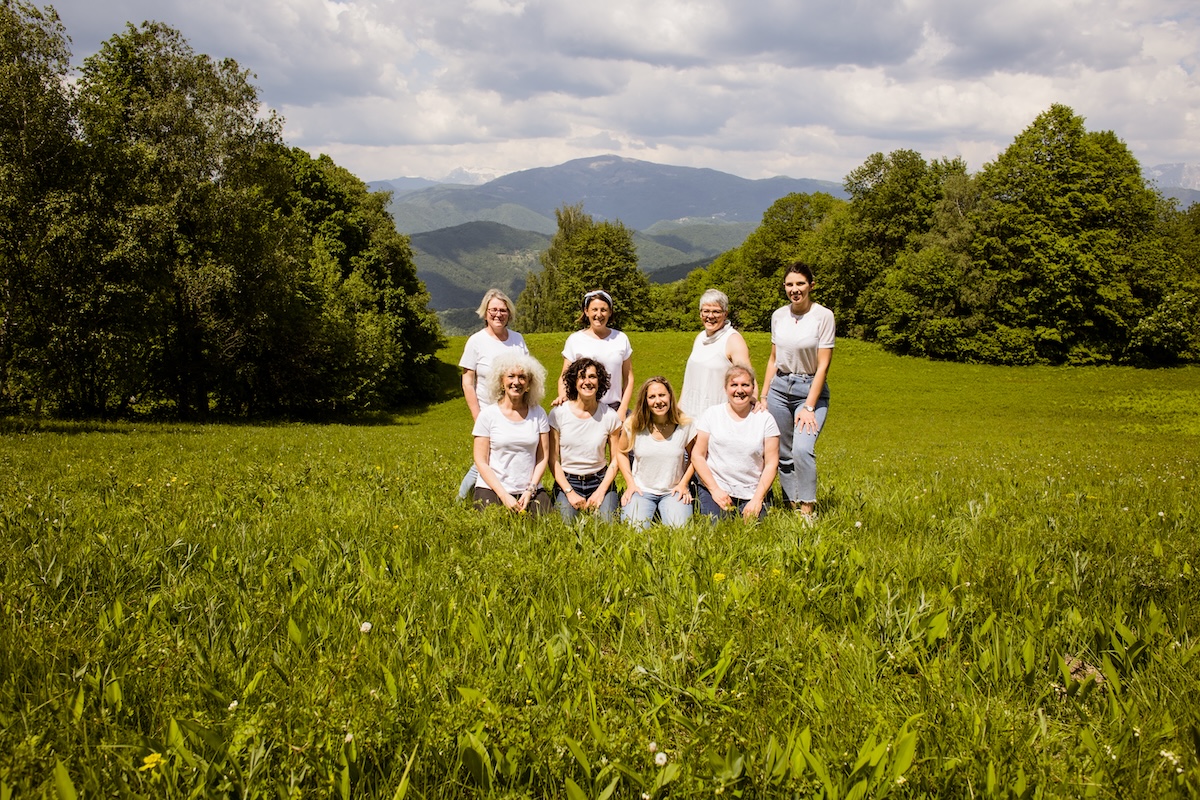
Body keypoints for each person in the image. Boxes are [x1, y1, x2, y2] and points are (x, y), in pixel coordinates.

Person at [759, 261, 835, 517]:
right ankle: (791, 504)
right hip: (779, 388)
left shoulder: (823, 316)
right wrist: (764, 395)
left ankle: (807, 510)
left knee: (803, 448)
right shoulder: (778, 315)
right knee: (783, 452)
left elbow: (823, 365)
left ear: (811, 286)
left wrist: (810, 407)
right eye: (790, 284)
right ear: (784, 287)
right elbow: (773, 358)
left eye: (800, 283)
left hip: (809, 388)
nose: (795, 289)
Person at [458, 290, 529, 500]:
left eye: (503, 310)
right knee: (484, 459)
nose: (498, 314)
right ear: (485, 313)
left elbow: (526, 373)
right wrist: (477, 416)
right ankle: (461, 499)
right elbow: (467, 382)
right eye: (493, 310)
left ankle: (502, 495)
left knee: (501, 458)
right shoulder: (476, 341)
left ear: (509, 313)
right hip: (488, 413)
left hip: (514, 412)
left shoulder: (517, 340)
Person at [692, 364, 780, 521]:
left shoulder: (766, 419)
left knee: (755, 531)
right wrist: (715, 490)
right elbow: (697, 456)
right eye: (734, 385)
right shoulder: (712, 414)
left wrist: (757, 499)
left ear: (753, 388)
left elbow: (771, 464)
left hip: (752, 491)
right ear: (726, 388)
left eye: (745, 385)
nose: (739, 390)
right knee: (715, 528)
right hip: (717, 487)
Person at [471, 352, 553, 514]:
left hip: (528, 488)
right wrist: (504, 495)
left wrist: (530, 489)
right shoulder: (488, 415)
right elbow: (480, 461)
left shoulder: (539, 413)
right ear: (501, 381)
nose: (516, 382)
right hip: (492, 488)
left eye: (522, 377)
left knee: (546, 527)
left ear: (530, 383)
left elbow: (542, 457)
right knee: (493, 530)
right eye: (511, 376)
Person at [549, 357, 623, 521]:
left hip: (600, 480)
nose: (587, 382)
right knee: (567, 526)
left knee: (607, 524)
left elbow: (616, 459)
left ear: (600, 381)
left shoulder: (610, 416)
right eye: (582, 377)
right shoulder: (558, 414)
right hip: (568, 481)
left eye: (592, 376)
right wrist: (569, 492)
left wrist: (601, 491)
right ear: (574, 382)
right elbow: (553, 459)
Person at [616, 377, 696, 528]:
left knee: (680, 532)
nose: (658, 401)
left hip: (673, 491)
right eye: (652, 397)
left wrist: (684, 484)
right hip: (641, 490)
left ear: (670, 396)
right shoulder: (633, 424)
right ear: (645, 401)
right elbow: (621, 453)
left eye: (662, 395)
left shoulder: (685, 424)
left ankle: (664, 510)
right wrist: (630, 484)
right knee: (634, 532)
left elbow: (695, 457)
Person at [554, 290, 633, 416]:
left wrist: (622, 409)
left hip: (614, 408)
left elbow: (628, 378)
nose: (599, 314)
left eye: (603, 310)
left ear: (610, 312)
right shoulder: (575, 340)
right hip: (584, 409)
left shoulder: (621, 338)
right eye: (594, 309)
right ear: (586, 311)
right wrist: (563, 396)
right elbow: (564, 375)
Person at [679, 289, 753, 419]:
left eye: (716, 311)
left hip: (716, 418)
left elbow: (747, 377)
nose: (710, 316)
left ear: (725, 313)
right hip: (690, 416)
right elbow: (690, 379)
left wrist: (753, 402)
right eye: (706, 311)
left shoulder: (733, 340)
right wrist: (679, 408)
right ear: (700, 313)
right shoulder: (700, 338)